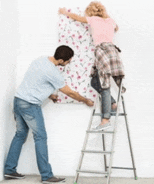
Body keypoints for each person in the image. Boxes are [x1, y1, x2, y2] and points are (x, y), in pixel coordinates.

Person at [4, 45, 94, 183]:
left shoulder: (41, 60)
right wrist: (85, 100)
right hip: (30, 105)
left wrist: (50, 95)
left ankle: (9, 170)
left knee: (20, 135)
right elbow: (69, 92)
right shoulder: (53, 73)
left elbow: (35, 81)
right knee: (40, 137)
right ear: (62, 60)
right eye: (68, 61)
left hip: (18, 100)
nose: (68, 63)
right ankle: (46, 175)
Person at [59, 1, 125, 131]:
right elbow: (116, 28)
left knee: (103, 84)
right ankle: (112, 103)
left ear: (91, 12)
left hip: (102, 51)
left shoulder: (93, 19)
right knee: (95, 81)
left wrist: (64, 12)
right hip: (113, 52)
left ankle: (105, 120)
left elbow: (78, 18)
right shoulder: (110, 21)